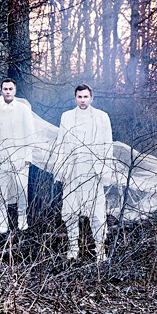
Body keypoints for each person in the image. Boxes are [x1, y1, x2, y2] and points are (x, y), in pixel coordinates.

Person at [54, 84, 113, 263]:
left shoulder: (102, 117)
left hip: (93, 170)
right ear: (75, 98)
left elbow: (107, 145)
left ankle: (100, 249)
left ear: (91, 98)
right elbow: (61, 143)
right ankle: (73, 247)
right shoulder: (67, 117)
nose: (82, 100)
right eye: (79, 97)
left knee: (97, 211)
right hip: (73, 169)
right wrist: (60, 168)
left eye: (85, 97)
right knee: (70, 210)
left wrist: (105, 169)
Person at [0, 78, 36, 233]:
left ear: (15, 90)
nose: (7, 92)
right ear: (1, 90)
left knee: (21, 188)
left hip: (19, 156)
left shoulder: (23, 109)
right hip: (0, 156)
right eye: (5, 89)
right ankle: (3, 223)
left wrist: (28, 156)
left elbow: (30, 134)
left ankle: (22, 219)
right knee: (0, 191)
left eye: (10, 89)